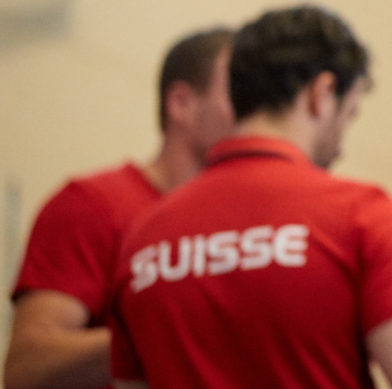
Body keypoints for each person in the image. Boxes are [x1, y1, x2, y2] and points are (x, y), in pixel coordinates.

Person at [109, 4, 392, 389]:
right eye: (349, 115)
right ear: (322, 93)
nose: (341, 146)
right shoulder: (357, 216)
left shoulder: (145, 235)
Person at [4, 26, 235, 389]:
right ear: (181, 104)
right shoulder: (93, 204)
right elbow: (26, 369)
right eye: (240, 95)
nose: (258, 116)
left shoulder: (244, 231)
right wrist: (166, 336)